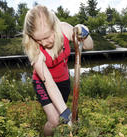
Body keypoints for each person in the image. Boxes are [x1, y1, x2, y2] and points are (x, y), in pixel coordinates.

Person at [22, 5, 93, 136]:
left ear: (54, 26)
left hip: (63, 80)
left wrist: (85, 32)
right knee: (54, 120)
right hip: (43, 83)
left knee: (61, 118)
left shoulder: (65, 29)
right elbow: (49, 83)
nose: (43, 43)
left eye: (47, 36)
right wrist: (67, 114)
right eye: (38, 39)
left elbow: (89, 46)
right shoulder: (35, 50)